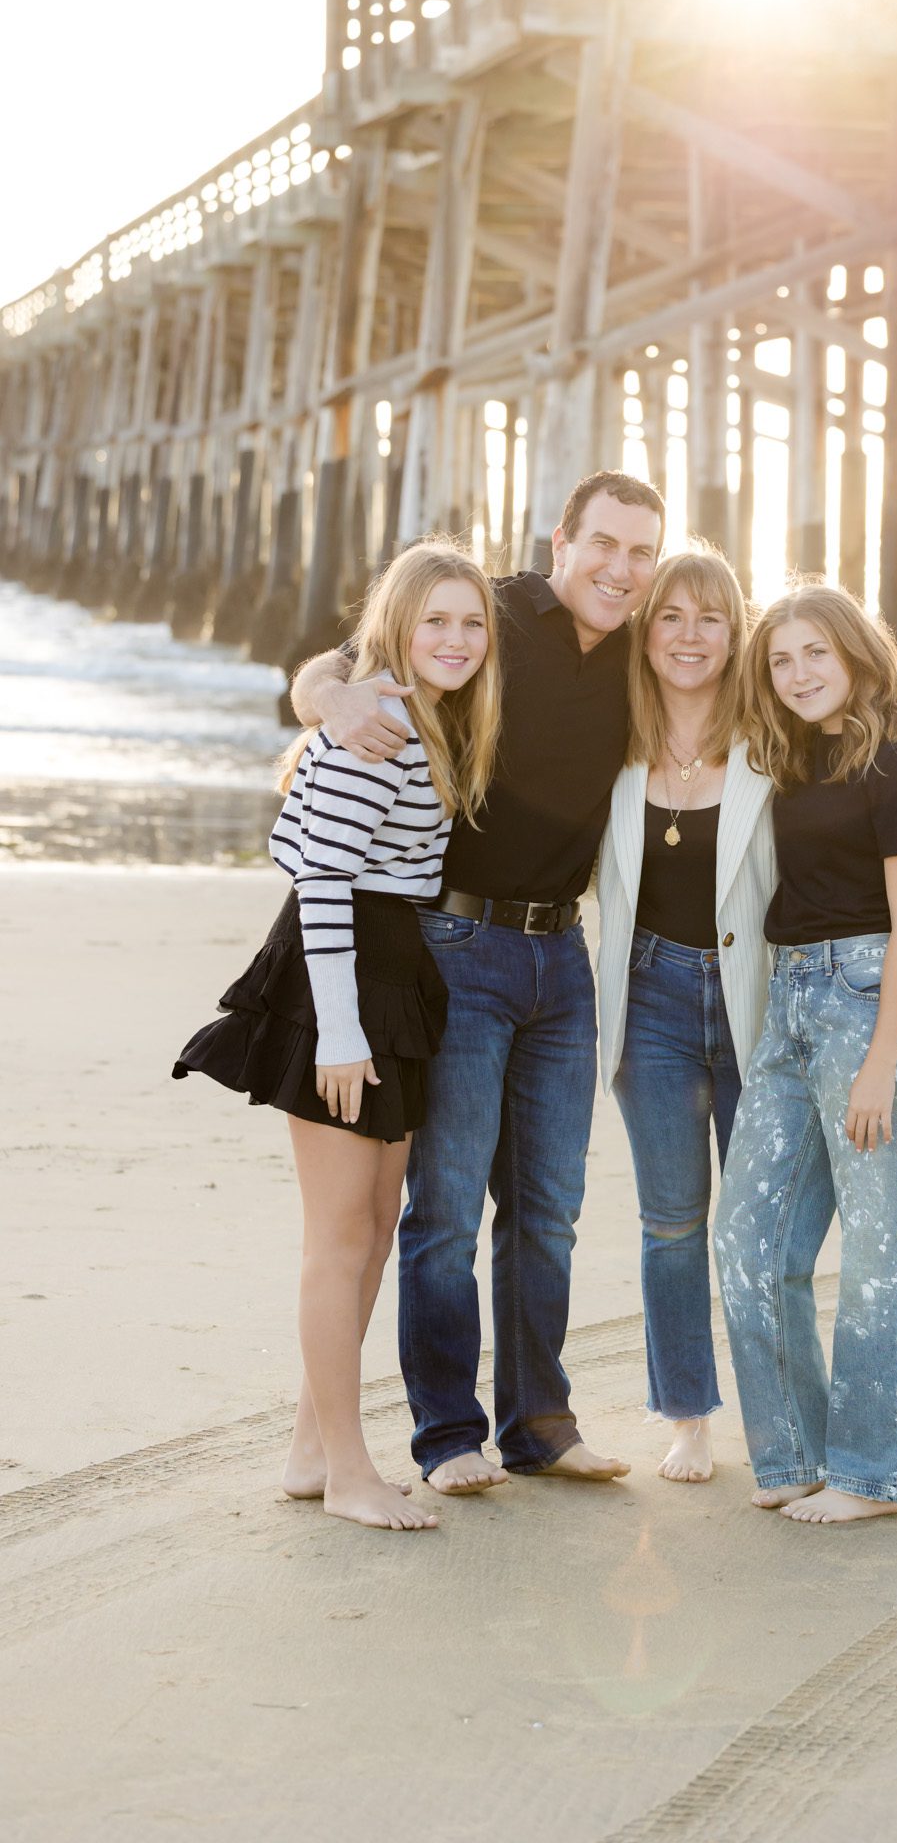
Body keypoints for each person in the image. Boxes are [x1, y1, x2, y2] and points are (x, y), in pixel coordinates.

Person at [290, 471, 664, 1493]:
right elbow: (346, 657)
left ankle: (539, 1425)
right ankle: (448, 1435)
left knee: (547, 1209)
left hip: (562, 958)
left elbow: (739, 669)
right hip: (457, 946)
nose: (619, 569)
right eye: (603, 543)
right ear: (562, 540)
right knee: (445, 1209)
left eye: (640, 552)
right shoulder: (491, 614)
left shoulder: (643, 648)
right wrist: (330, 697)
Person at [173, 539, 500, 1530]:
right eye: (435, 620)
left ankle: (314, 1449)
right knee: (340, 1234)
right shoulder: (380, 728)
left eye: (472, 622)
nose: (457, 638)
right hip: (341, 971)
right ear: (396, 626)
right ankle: (350, 1470)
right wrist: (340, 1034)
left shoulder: (417, 718)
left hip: (387, 964)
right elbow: (321, 880)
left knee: (375, 1221)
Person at [713, 583, 897, 1526]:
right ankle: (792, 1455)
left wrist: (882, 1060)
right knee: (748, 1241)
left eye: (815, 651)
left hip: (868, 1005)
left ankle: (870, 1476)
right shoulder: (787, 753)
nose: (798, 672)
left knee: (880, 1252)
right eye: (780, 659)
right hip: (789, 1003)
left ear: (857, 651)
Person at [596, 549, 776, 1484]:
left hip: (754, 1000)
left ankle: (777, 1420)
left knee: (757, 1227)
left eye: (710, 618)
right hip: (650, 998)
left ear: (734, 635)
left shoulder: (770, 739)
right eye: (670, 616)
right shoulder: (609, 741)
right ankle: (687, 1417)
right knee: (671, 1224)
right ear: (645, 633)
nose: (689, 636)